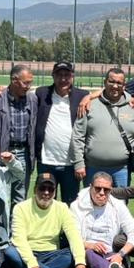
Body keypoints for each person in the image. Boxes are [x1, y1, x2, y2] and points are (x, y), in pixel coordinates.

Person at [72, 67, 134, 188]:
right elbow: (78, 136)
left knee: (119, 200)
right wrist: (79, 163)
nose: (115, 86)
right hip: (92, 168)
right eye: (111, 82)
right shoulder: (89, 105)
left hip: (122, 170)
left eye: (119, 83)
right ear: (105, 82)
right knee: (93, 199)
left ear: (124, 86)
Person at [71, 172, 134, 268]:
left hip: (112, 254)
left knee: (115, 261)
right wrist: (90, 245)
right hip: (88, 252)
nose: (102, 193)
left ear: (111, 190)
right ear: (90, 187)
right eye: (98, 188)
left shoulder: (118, 206)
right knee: (90, 254)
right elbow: (73, 237)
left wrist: (120, 254)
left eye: (106, 190)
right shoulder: (77, 206)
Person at [11, 173, 88, 268]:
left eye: (50, 189)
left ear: (55, 192)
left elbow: (74, 236)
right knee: (11, 252)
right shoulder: (20, 208)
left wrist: (80, 262)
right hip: (28, 251)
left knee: (71, 255)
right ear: (35, 189)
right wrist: (33, 265)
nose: (46, 193)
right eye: (42, 188)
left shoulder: (62, 208)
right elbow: (19, 240)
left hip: (52, 254)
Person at [34, 61, 87, 203]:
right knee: (45, 203)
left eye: (67, 75)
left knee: (70, 205)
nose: (63, 79)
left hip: (71, 163)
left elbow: (105, 93)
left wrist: (90, 97)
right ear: (53, 76)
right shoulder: (42, 93)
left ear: (72, 76)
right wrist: (1, 89)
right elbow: (20, 91)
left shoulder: (82, 96)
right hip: (46, 161)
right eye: (59, 75)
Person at [0, 63, 37, 201]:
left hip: (24, 154)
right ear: (14, 80)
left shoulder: (32, 99)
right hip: (2, 153)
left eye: (30, 82)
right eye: (25, 83)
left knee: (20, 198)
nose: (29, 86)